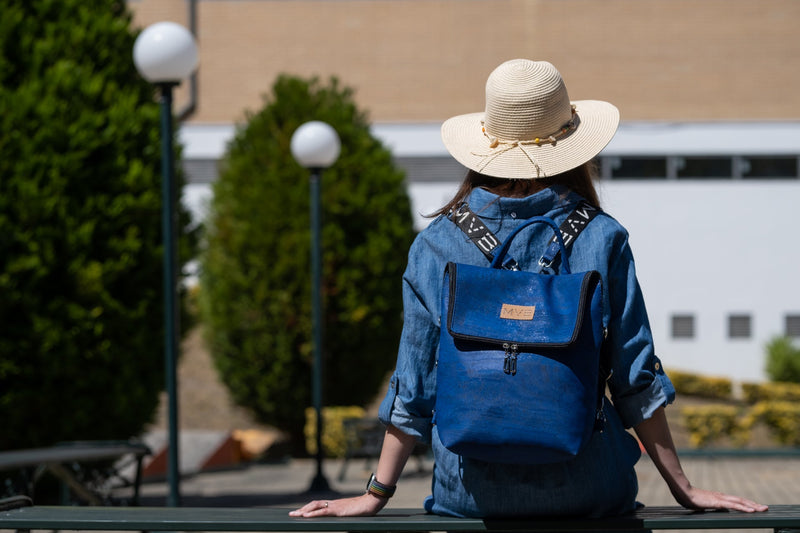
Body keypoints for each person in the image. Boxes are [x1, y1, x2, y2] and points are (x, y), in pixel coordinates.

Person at [290, 59, 768, 518]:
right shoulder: (602, 237)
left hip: (470, 494)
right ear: (573, 147)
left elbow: (414, 386)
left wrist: (376, 493)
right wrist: (683, 488)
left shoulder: (437, 244)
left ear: (486, 143)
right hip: (589, 491)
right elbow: (635, 377)